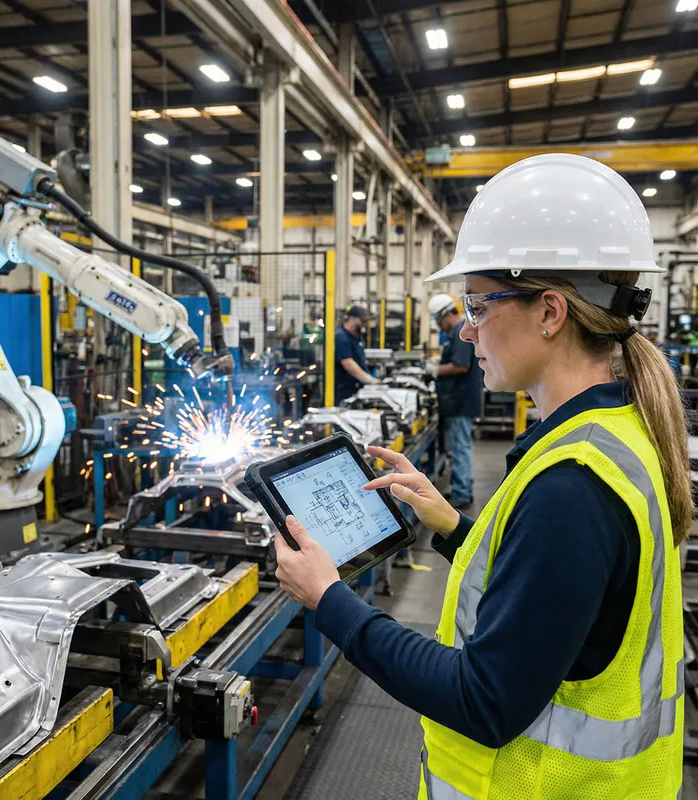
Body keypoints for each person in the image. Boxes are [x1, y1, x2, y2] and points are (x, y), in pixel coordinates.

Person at [274, 154, 688, 798]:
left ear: (550, 312)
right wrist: (452, 529)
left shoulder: (573, 485)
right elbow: (557, 601)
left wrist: (332, 601)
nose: (467, 332)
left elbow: (484, 701)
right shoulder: (615, 434)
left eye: (477, 304)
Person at [428, 293, 483, 509]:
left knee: (460, 448)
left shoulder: (461, 332)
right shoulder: (457, 331)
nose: (439, 326)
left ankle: (462, 493)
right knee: (459, 447)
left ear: (444, 315)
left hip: (460, 403)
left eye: (438, 321)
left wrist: (434, 370)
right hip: (458, 402)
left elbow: (460, 366)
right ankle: (462, 486)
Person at [334, 304, 379, 404]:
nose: (364, 324)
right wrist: (370, 381)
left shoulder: (357, 337)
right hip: (344, 391)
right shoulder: (341, 337)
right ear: (351, 319)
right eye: (362, 321)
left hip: (356, 389)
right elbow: (348, 364)